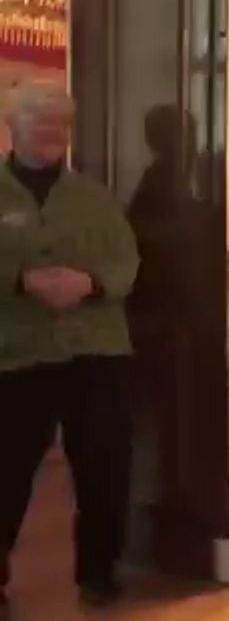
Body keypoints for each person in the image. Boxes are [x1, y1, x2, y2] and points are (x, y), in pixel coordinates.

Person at [0, 80, 139, 611]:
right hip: (17, 353)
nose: (55, 133)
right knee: (7, 469)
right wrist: (21, 281)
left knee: (105, 467)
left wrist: (91, 284)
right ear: (15, 127)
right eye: (43, 122)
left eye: (62, 124)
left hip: (95, 349)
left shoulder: (92, 197)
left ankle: (100, 572)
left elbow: (127, 262)